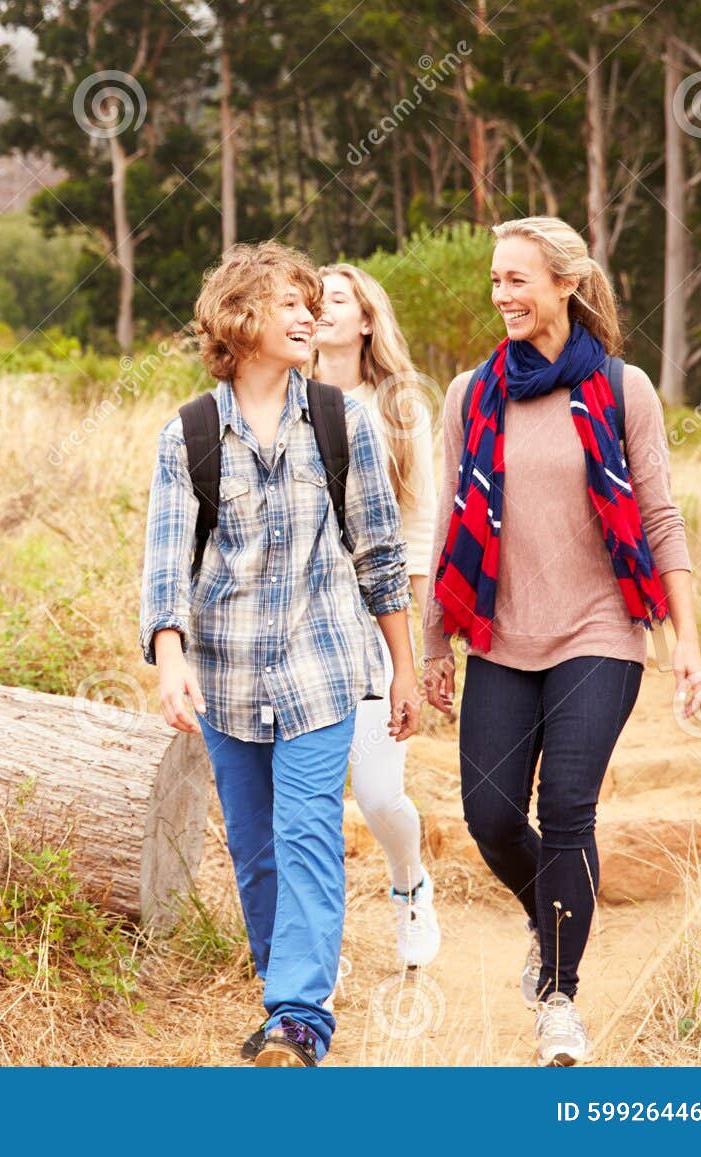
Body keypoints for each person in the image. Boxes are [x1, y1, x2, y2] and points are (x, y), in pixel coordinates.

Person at [420, 217, 701, 1066]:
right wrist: (435, 641)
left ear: (565, 285)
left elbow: (659, 517)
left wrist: (687, 641)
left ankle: (560, 1001)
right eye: (495, 280)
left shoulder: (623, 389)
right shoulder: (472, 393)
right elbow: (447, 519)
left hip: (601, 629)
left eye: (517, 279)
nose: (502, 295)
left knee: (568, 805)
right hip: (501, 635)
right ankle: (552, 925)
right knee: (491, 815)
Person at [139, 241, 422, 1067]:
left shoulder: (344, 421)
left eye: (313, 303)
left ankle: (300, 1016)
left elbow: (378, 550)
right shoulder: (188, 433)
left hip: (323, 667)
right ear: (239, 321)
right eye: (289, 304)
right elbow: (167, 561)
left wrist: (402, 666)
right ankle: (283, 994)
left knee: (306, 832)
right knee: (256, 847)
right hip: (225, 673)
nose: (309, 316)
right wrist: (169, 656)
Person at [311, 262, 441, 968]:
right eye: (316, 301)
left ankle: (410, 884)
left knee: (381, 793)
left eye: (339, 300)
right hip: (301, 625)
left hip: (374, 620)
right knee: (310, 797)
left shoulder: (399, 410)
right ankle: (312, 949)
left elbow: (418, 528)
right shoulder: (287, 397)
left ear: (366, 320)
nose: (324, 310)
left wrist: (412, 657)